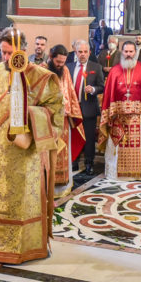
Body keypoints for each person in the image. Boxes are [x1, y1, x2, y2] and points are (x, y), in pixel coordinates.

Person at [0, 28, 64, 263]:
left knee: (23, 202)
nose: (6, 59)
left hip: (26, 153)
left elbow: (57, 112)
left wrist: (29, 115)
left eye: (11, 53)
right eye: (3, 53)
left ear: (23, 50)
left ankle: (26, 248)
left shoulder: (41, 76)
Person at [99, 41, 141, 180]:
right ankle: (115, 173)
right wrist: (111, 113)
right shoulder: (114, 71)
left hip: (137, 118)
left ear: (135, 52)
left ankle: (138, 174)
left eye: (131, 52)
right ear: (122, 52)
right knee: (117, 147)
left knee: (139, 146)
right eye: (126, 51)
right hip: (118, 118)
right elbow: (109, 96)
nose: (128, 55)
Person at [47, 44, 85, 194]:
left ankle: (63, 186)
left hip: (63, 120)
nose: (60, 65)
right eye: (58, 62)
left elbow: (70, 93)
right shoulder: (43, 70)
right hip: (48, 121)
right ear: (51, 58)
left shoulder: (66, 70)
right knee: (50, 152)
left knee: (63, 150)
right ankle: (48, 186)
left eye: (63, 62)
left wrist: (73, 113)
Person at [69, 41, 105, 177]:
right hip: (73, 109)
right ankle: (74, 161)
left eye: (85, 52)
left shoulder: (96, 67)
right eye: (80, 52)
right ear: (76, 53)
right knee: (74, 136)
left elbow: (102, 86)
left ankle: (89, 163)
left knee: (89, 138)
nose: (82, 54)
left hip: (88, 108)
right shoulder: (69, 67)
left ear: (89, 52)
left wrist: (93, 89)